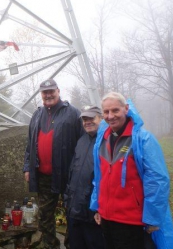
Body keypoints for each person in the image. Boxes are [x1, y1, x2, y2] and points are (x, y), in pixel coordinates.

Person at [90, 92, 173, 249]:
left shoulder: (143, 139)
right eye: (106, 112)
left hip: (131, 221)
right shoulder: (101, 141)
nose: (110, 116)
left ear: (126, 109)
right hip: (106, 218)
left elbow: (157, 180)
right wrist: (97, 206)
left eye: (115, 110)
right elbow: (99, 178)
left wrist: (153, 218)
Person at [23, 78, 83, 249]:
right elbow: (29, 144)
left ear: (58, 91)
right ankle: (51, 245)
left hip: (67, 175)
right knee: (44, 215)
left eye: (51, 91)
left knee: (72, 214)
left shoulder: (73, 113)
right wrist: (27, 167)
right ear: (41, 94)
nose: (48, 95)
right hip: (43, 177)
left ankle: (72, 245)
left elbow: (82, 144)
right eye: (44, 92)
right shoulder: (37, 114)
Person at [65, 106, 105, 249]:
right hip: (74, 208)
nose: (87, 122)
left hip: (92, 212)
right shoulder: (81, 140)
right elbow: (73, 171)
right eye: (84, 119)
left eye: (91, 118)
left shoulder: (107, 142)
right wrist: (67, 198)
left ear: (101, 118)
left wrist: (99, 207)